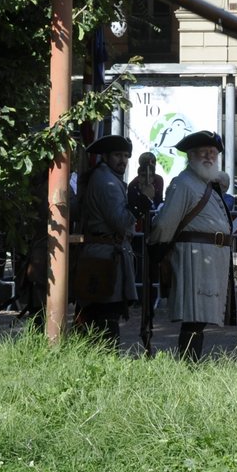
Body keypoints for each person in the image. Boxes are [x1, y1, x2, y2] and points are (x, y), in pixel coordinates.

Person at [148, 131, 235, 360]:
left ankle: (192, 362)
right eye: (203, 152)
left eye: (213, 153)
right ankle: (189, 364)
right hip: (194, 257)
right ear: (191, 156)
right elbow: (166, 223)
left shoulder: (204, 183)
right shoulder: (184, 183)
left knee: (201, 316)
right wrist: (156, 249)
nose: (209, 157)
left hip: (210, 256)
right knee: (194, 316)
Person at [71, 134, 138, 349]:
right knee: (106, 314)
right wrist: (138, 206)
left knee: (99, 314)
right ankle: (105, 363)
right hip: (104, 257)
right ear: (106, 156)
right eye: (118, 155)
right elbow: (122, 223)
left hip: (102, 253)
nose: (123, 160)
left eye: (126, 156)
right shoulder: (107, 182)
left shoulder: (105, 177)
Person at [127, 152, 164, 221]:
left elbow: (159, 200)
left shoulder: (159, 180)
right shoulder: (133, 184)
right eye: (146, 162)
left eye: (153, 162)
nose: (150, 165)